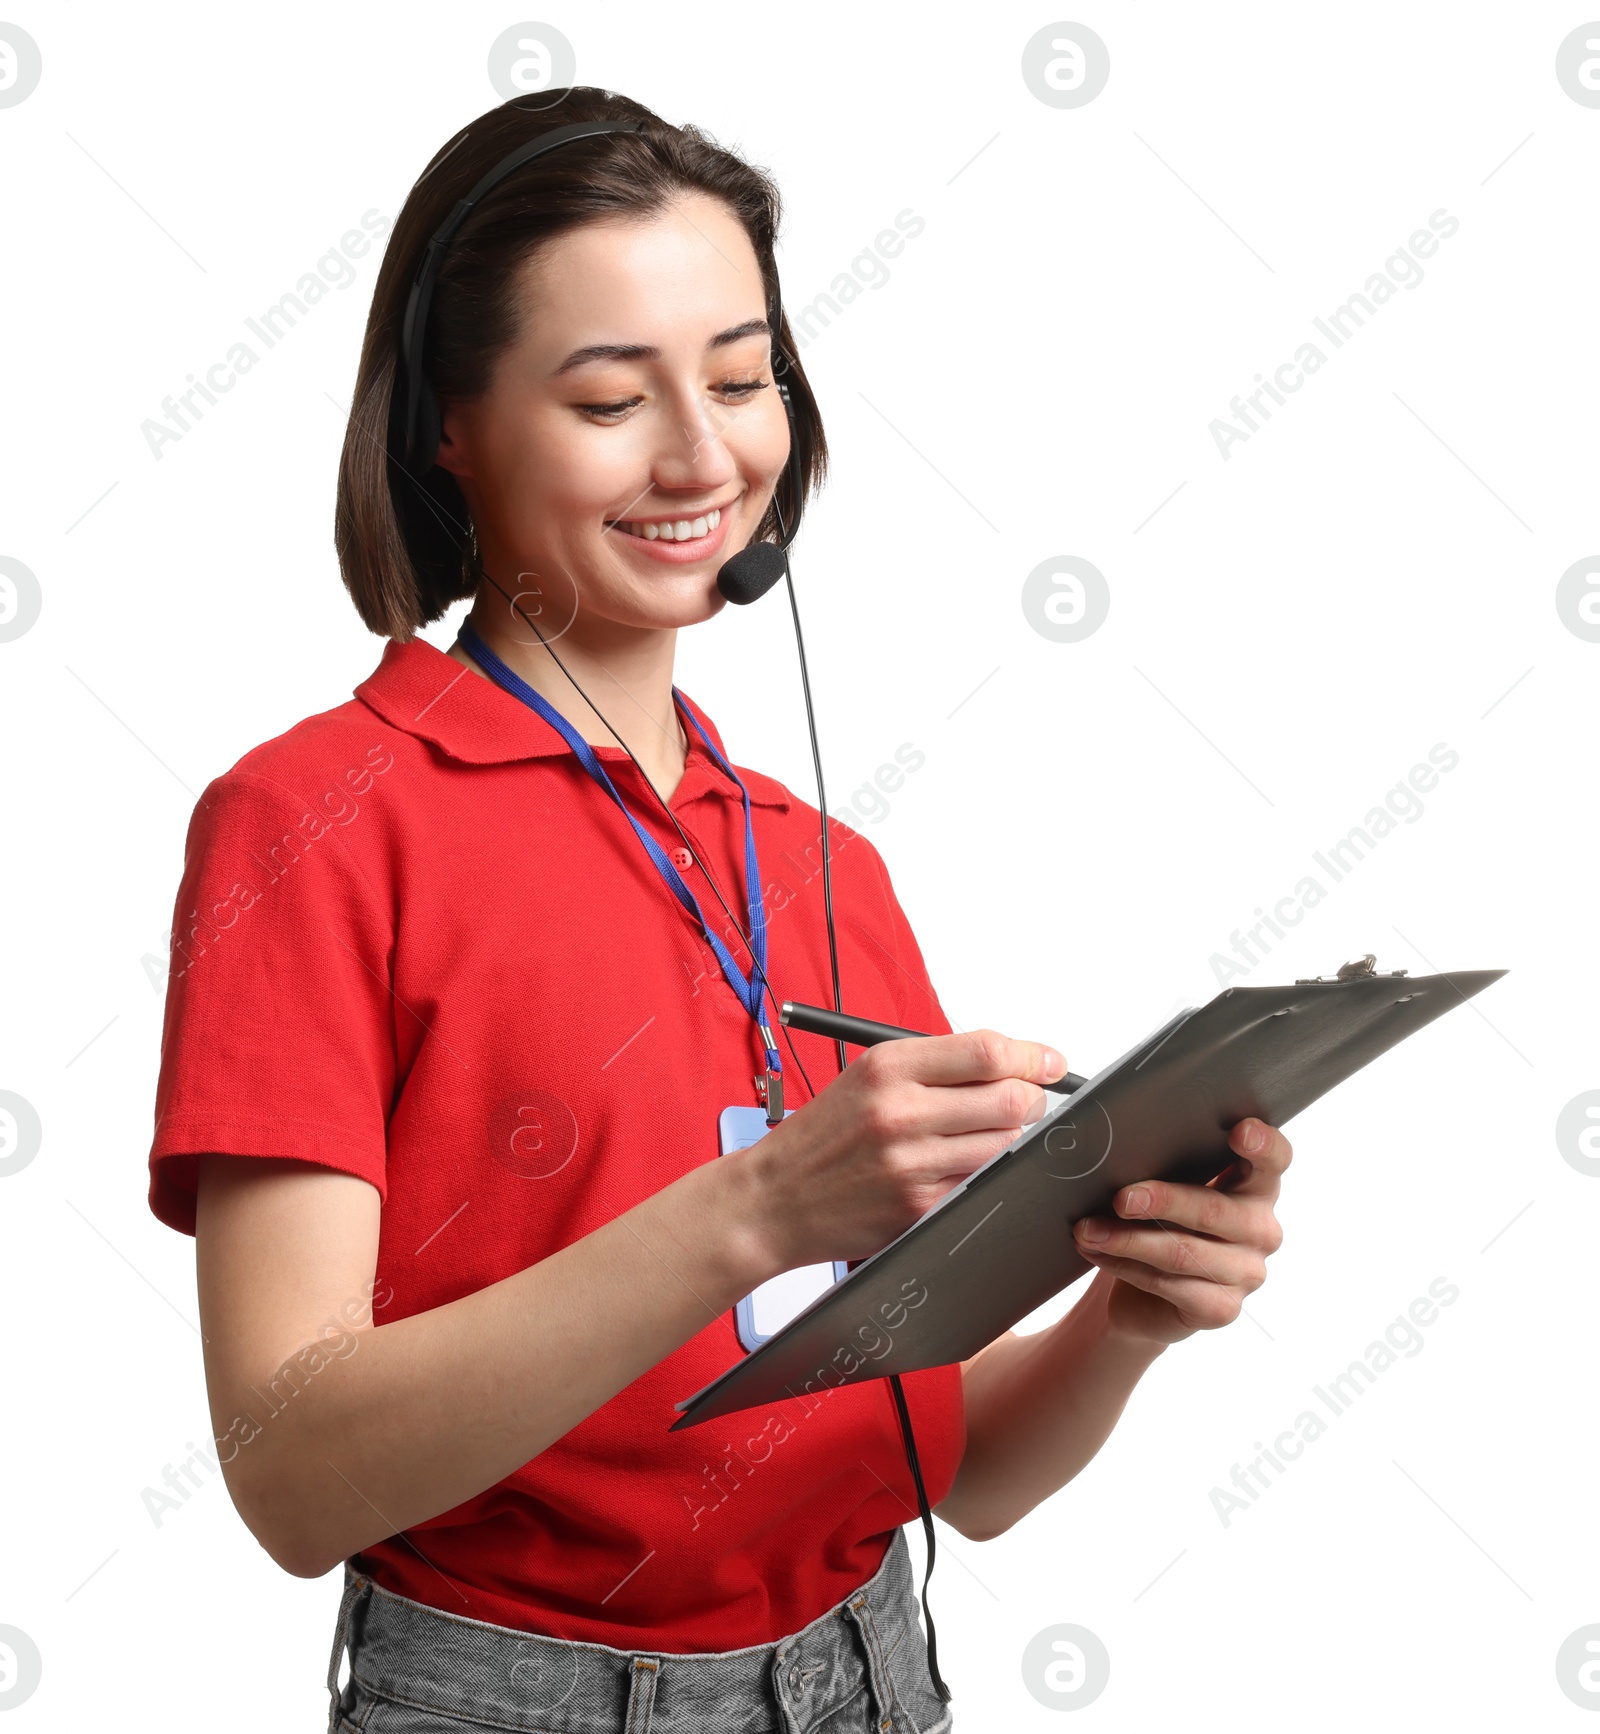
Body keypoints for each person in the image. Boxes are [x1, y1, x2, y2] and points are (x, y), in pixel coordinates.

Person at [145, 87, 1290, 1734]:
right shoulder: (313, 824)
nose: (705, 455)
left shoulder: (822, 863)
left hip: (873, 1679)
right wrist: (755, 1207)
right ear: (448, 428)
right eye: (612, 397)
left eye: (744, 379)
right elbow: (292, 1472)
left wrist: (1128, 1307)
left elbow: (950, 1463)